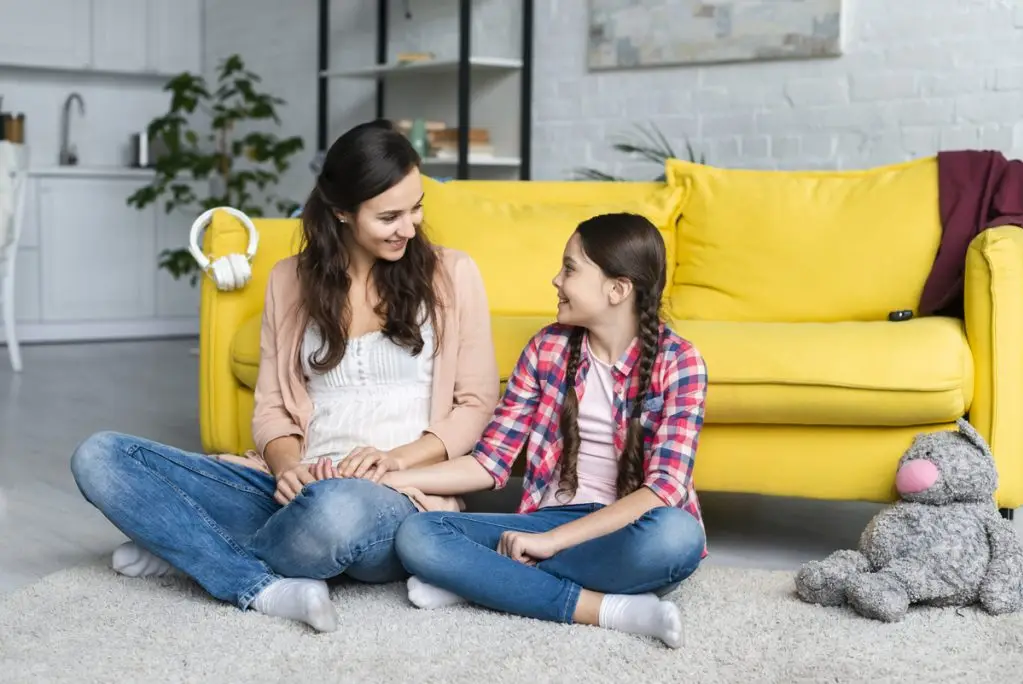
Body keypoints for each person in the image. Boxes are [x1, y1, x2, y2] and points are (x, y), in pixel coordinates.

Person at [69, 119, 499, 633]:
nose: (409, 227)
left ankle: (192, 551)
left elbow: (475, 405)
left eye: (416, 207)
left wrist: (394, 460)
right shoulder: (289, 280)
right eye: (389, 216)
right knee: (99, 455)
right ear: (342, 211)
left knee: (332, 510)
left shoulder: (451, 274)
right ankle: (254, 574)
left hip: (389, 495)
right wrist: (289, 466)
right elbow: (272, 407)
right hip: (290, 490)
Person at [370, 212, 708, 649]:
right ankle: (604, 607)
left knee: (678, 536)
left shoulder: (679, 362)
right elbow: (489, 463)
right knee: (419, 535)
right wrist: (391, 476)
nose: (556, 279)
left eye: (569, 268)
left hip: (626, 528)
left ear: (617, 289)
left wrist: (551, 542)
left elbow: (664, 490)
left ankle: (484, 580)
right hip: (550, 517)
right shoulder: (546, 348)